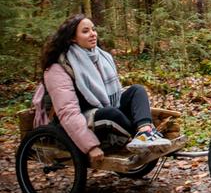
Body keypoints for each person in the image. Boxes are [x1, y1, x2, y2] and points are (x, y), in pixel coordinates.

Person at [38, 14, 171, 164]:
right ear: (72, 38)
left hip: (101, 110)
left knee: (137, 90)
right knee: (111, 114)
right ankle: (141, 137)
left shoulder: (101, 57)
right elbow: (68, 112)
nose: (93, 34)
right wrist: (90, 146)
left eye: (93, 29)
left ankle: (145, 132)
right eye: (85, 31)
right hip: (79, 122)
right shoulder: (58, 68)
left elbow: (112, 93)